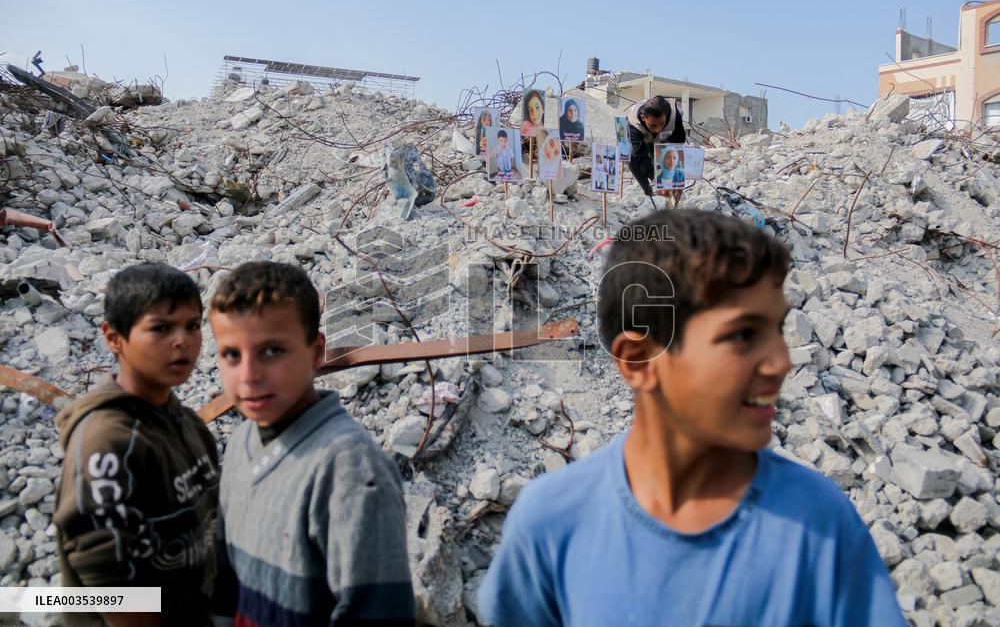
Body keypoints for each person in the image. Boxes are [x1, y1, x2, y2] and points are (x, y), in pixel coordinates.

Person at [478, 210, 906, 627]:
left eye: (778, 329)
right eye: (743, 335)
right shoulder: (552, 523)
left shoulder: (818, 525)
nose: (780, 362)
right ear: (642, 361)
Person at [209, 262, 414, 626]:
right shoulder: (242, 442)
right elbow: (227, 585)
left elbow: (377, 614)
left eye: (272, 351)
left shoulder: (351, 472)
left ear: (317, 351)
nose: (249, 375)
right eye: (231, 355)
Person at [54, 263, 220, 627]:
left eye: (192, 326)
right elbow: (108, 579)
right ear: (114, 337)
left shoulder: (186, 423)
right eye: (160, 328)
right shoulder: (107, 441)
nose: (182, 341)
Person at [625, 95, 685, 200]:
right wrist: (655, 178)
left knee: (667, 158)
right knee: (632, 159)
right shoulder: (633, 123)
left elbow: (678, 146)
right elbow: (641, 155)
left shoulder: (675, 116)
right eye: (653, 125)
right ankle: (648, 191)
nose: (657, 129)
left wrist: (675, 180)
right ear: (643, 118)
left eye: (662, 124)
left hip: (664, 140)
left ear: (666, 115)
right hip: (643, 140)